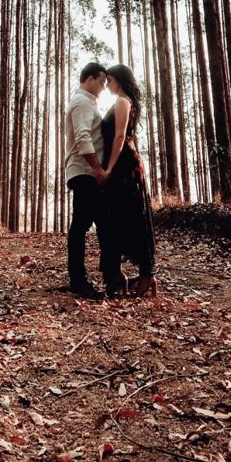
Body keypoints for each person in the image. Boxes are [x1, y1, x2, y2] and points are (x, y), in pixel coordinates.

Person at [98, 63, 156, 297]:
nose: (107, 85)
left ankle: (146, 275)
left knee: (130, 216)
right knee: (119, 217)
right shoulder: (123, 101)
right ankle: (122, 275)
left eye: (109, 80)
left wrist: (109, 168)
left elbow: (120, 136)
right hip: (125, 164)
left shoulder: (122, 102)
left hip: (123, 166)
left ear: (118, 80)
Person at [62, 61, 110, 299]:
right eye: (101, 81)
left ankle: (105, 277)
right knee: (80, 225)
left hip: (85, 172)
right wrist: (97, 169)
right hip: (85, 172)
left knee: (96, 222)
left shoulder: (85, 102)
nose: (103, 87)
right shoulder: (81, 102)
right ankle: (78, 282)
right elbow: (82, 137)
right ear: (89, 79)